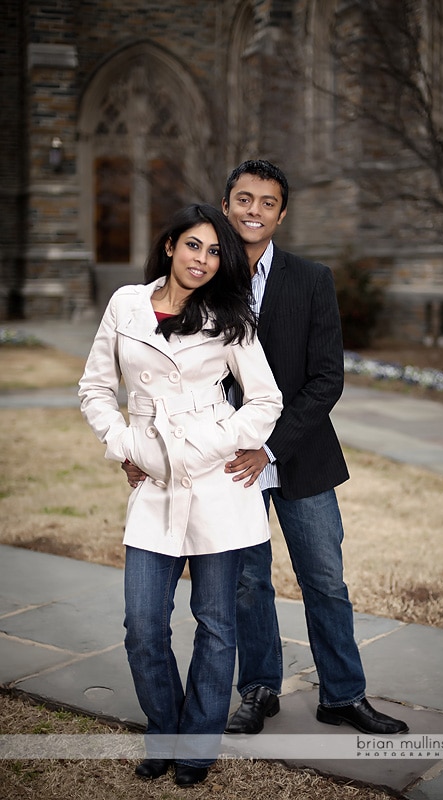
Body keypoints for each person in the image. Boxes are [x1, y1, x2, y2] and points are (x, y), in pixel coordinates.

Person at [125, 161, 408, 737]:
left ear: (282, 213)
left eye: (267, 202)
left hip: (298, 456)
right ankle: (257, 690)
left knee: (325, 578)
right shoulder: (201, 276)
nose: (254, 210)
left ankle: (343, 694)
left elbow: (327, 378)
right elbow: (156, 375)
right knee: (247, 584)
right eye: (244, 199)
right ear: (225, 206)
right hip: (218, 464)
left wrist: (269, 448)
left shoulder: (312, 279)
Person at [78, 203, 282, 787]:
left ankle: (196, 745)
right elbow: (95, 387)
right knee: (142, 626)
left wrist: (215, 446)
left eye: (216, 252)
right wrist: (124, 444)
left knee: (216, 624)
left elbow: (265, 400)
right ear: (170, 245)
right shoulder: (126, 304)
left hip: (216, 480)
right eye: (194, 246)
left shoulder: (230, 317)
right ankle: (163, 731)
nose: (204, 260)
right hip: (152, 478)